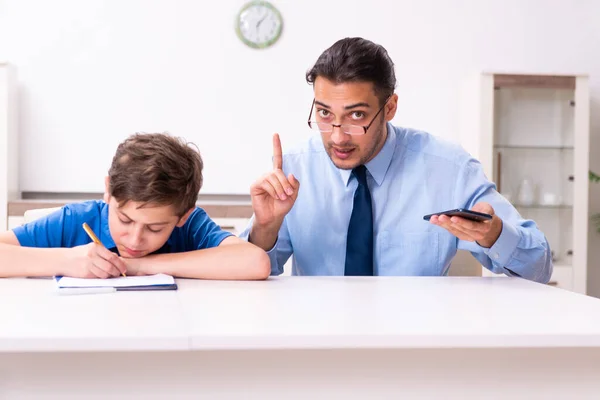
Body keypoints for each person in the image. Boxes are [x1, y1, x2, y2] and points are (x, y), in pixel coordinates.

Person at [240, 37, 552, 283]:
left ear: (390, 107)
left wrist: (494, 236)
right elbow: (248, 276)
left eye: (356, 115)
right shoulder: (296, 168)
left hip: (416, 349)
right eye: (324, 113)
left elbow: (539, 268)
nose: (337, 137)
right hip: (318, 346)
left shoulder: (448, 169)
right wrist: (265, 227)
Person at [0, 133, 270, 280]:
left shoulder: (191, 225)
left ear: (182, 216)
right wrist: (66, 260)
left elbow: (255, 262)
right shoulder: (77, 219)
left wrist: (141, 266)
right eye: (125, 220)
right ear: (108, 191)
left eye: (154, 228)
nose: (135, 239)